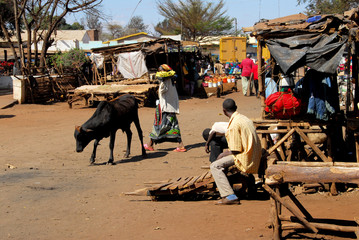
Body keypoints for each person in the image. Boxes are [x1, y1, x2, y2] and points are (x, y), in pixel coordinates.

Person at [210, 98, 262, 205]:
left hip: (246, 157)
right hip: (254, 154)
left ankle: (229, 196)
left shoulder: (233, 125)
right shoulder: (244, 118)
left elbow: (236, 150)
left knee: (215, 166)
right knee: (221, 160)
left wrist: (222, 154)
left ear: (224, 111)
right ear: (236, 108)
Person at [144, 64, 186, 152]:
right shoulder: (171, 80)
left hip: (165, 107)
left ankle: (150, 144)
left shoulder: (166, 80)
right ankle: (180, 145)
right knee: (173, 126)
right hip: (170, 107)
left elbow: (163, 90)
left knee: (159, 125)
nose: (159, 72)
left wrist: (160, 84)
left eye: (160, 71)